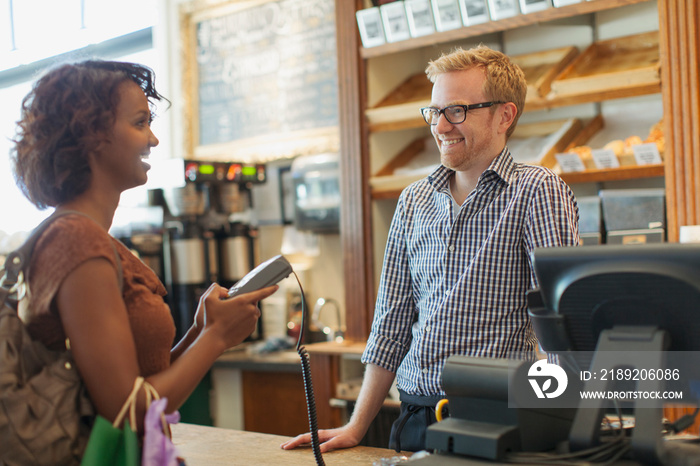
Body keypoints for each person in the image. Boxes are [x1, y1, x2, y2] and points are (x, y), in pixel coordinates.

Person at [281, 45, 580, 453]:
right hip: (414, 419)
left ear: (504, 115)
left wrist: (565, 422)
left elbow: (561, 319)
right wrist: (356, 426)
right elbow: (392, 322)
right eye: (435, 111)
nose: (440, 126)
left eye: (456, 110)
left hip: (499, 421)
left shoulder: (536, 191)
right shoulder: (413, 200)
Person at [10, 60, 277, 459]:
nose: (152, 139)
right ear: (91, 137)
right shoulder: (77, 239)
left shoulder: (95, 238)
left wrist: (200, 332)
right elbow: (127, 411)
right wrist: (216, 339)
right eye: (139, 123)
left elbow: (141, 378)